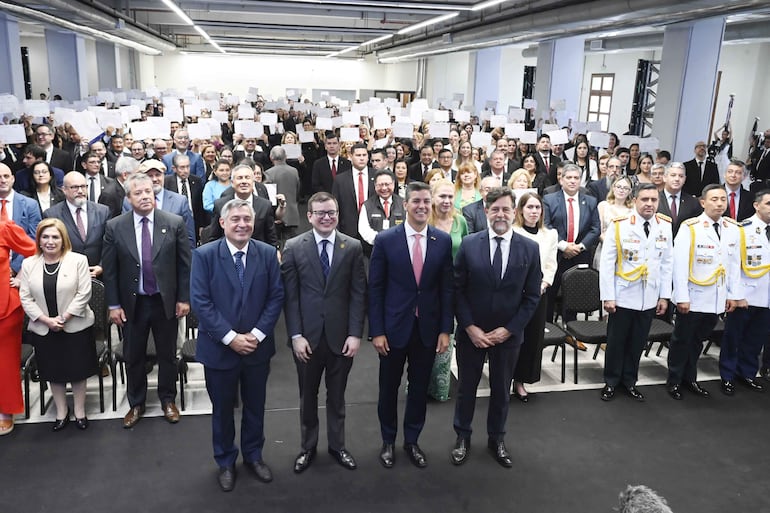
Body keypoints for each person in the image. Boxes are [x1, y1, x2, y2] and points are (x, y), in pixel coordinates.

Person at [191, 198, 284, 492]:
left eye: (247, 219)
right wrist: (231, 338)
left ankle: (254, 456)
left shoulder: (268, 254)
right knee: (222, 410)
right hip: (219, 349)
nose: (242, 224)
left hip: (257, 348)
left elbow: (275, 297)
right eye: (235, 220)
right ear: (222, 223)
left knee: (255, 407)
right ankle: (226, 461)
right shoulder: (204, 255)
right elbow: (201, 303)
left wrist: (256, 335)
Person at [451, 187, 541, 467]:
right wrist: (469, 327)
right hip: (472, 334)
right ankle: (462, 437)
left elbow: (532, 297)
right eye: (495, 209)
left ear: (513, 212)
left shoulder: (530, 248)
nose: (500, 214)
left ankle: (496, 439)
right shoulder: (469, 244)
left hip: (508, 336)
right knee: (467, 389)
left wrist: (510, 329)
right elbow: (457, 290)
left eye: (505, 209)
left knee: (502, 390)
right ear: (486, 212)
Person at [369, 181, 453, 469]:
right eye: (416, 201)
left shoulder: (441, 241)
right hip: (392, 329)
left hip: (427, 329)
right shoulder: (385, 240)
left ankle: (412, 440)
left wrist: (445, 330)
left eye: (426, 202)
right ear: (404, 205)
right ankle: (388, 440)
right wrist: (377, 331)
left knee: (418, 389)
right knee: (388, 388)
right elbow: (375, 289)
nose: (421, 206)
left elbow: (446, 290)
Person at [281, 192, 367, 473]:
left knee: (338, 396)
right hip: (307, 339)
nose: (326, 217)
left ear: (338, 214)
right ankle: (307, 447)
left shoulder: (352, 247)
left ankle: (337, 446)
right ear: (310, 216)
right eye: (320, 213)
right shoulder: (294, 247)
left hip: (342, 339)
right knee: (308, 397)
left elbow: (358, 294)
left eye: (331, 212)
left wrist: (355, 334)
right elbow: (290, 297)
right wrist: (295, 335)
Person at [102, 172, 191, 427]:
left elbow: (185, 265)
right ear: (128, 198)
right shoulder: (115, 226)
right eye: (138, 193)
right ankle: (136, 403)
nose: (144, 196)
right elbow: (110, 270)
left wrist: (184, 298)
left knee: (167, 354)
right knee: (134, 355)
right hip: (133, 304)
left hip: (165, 301)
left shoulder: (173, 222)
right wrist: (114, 304)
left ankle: (167, 399)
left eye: (148, 192)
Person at [667, 184, 744, 400]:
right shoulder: (690, 227)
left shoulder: (733, 228)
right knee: (682, 339)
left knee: (698, 340)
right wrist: (681, 296)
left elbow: (734, 266)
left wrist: (733, 295)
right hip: (693, 295)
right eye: (714, 199)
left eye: (722, 199)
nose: (719, 203)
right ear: (703, 202)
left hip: (716, 297)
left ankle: (690, 378)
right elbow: (679, 265)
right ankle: (674, 380)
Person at [19, 219, 96, 430]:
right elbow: (25, 298)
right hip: (45, 328)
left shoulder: (78, 260)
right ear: (39, 240)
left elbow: (84, 293)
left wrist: (65, 317)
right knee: (53, 371)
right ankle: (62, 411)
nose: (50, 241)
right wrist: (47, 320)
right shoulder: (29, 264)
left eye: (55, 237)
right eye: (45, 237)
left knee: (78, 370)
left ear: (63, 240)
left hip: (75, 325)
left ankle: (80, 411)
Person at [598, 184, 673, 402]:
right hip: (623, 294)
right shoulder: (620, 225)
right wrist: (608, 296)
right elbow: (607, 262)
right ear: (635, 200)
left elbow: (667, 263)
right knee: (617, 341)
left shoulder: (664, 225)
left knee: (638, 342)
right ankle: (611, 381)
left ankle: (629, 381)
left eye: (653, 200)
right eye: (645, 199)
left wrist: (664, 295)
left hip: (649, 296)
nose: (649, 204)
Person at [719, 189, 770, 395]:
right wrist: (735, 294)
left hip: (766, 296)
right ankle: (728, 376)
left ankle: (747, 373)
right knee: (734, 337)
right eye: (768, 204)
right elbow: (732, 266)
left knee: (755, 338)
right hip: (745, 294)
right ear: (757, 206)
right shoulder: (742, 229)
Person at [511, 192, 558, 402]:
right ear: (520, 210)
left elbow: (551, 263)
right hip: (513, 294)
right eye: (529, 207)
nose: (533, 212)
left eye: (537, 208)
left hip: (537, 293)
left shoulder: (550, 235)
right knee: (512, 338)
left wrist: (544, 283)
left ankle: (521, 381)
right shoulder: (513, 231)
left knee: (531, 339)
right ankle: (505, 376)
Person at [543, 163, 601, 324]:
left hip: (580, 255)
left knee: (574, 295)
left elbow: (595, 229)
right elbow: (546, 225)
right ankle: (546, 329)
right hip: (556, 254)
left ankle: (571, 331)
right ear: (561, 180)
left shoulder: (590, 201)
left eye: (576, 178)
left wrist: (579, 247)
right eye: (568, 177)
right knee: (550, 295)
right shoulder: (549, 199)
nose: (572, 181)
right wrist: (563, 246)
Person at [427, 179, 468, 401]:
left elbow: (466, 253)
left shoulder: (460, 222)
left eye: (450, 196)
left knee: (447, 336)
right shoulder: (425, 221)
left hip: (454, 288)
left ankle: (440, 388)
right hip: (428, 289)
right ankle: (420, 383)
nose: (446, 200)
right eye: (442, 196)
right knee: (426, 338)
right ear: (433, 197)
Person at [0, 219, 36, 435]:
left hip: (5, 306)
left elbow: (34, 251)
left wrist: (21, 278)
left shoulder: (5, 227)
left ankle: (6, 411)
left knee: (4, 362)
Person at [43, 172, 111, 278]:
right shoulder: (52, 214)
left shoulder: (102, 211)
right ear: (64, 190)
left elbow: (109, 244)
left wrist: (102, 266)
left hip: (98, 275)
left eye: (83, 186)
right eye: (75, 187)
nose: (80, 191)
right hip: (66, 276)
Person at [358, 170, 405, 255]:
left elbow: (408, 226)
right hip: (374, 251)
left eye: (387, 184)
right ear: (375, 186)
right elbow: (364, 229)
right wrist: (381, 240)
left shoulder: (404, 204)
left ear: (393, 184)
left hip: (399, 251)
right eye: (380, 185)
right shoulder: (367, 205)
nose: (384, 188)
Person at [593, 176, 634, 269]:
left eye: (625, 188)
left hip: (627, 251)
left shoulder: (633, 209)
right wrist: (612, 245)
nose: (621, 190)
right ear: (613, 188)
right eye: (618, 187)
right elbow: (599, 230)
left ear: (630, 191)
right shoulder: (603, 205)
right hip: (606, 249)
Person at [657, 162, 702, 237]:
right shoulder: (654, 199)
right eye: (673, 175)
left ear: (685, 179)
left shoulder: (693, 202)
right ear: (665, 178)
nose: (677, 179)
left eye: (681, 176)